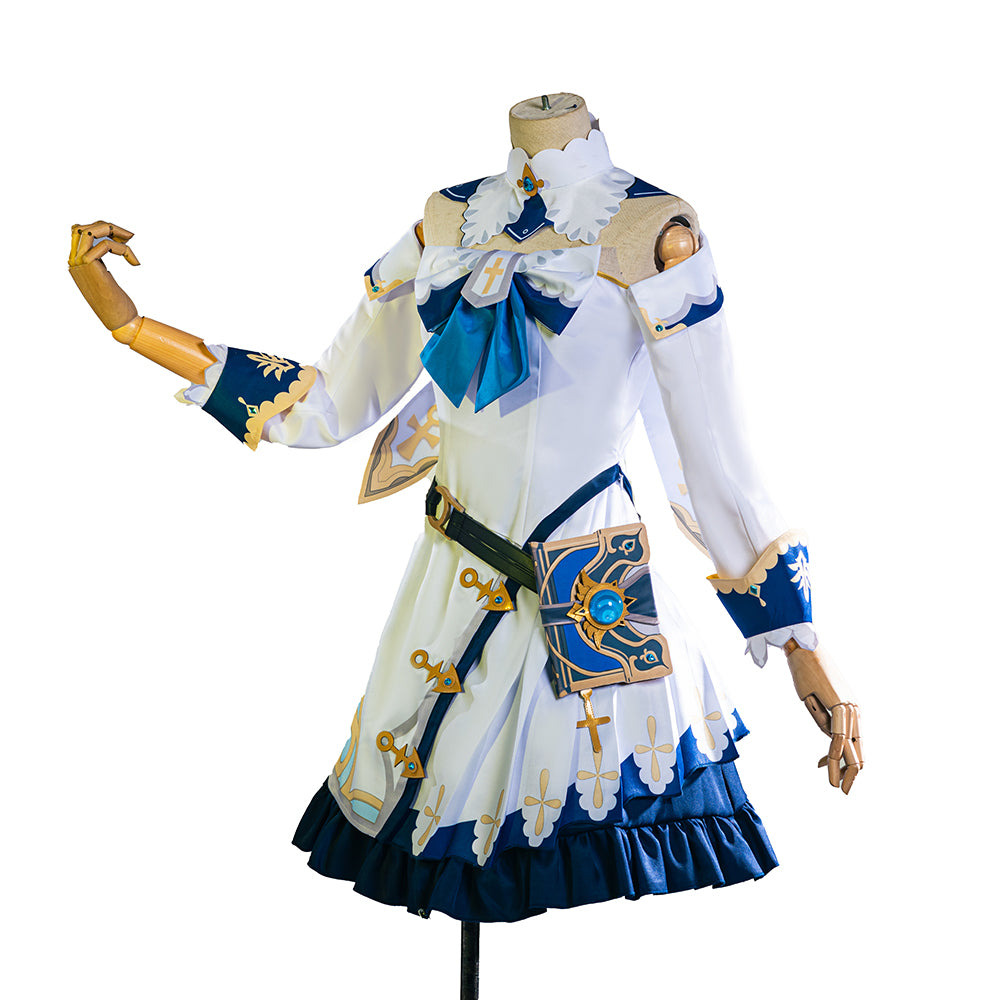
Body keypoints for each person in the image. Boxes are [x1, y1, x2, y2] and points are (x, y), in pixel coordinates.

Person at [68, 93, 862, 924]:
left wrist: (800, 642)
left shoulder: (656, 230)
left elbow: (717, 454)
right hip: (447, 584)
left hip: (588, 590)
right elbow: (327, 400)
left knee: (565, 820)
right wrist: (130, 324)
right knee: (429, 807)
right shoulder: (446, 222)